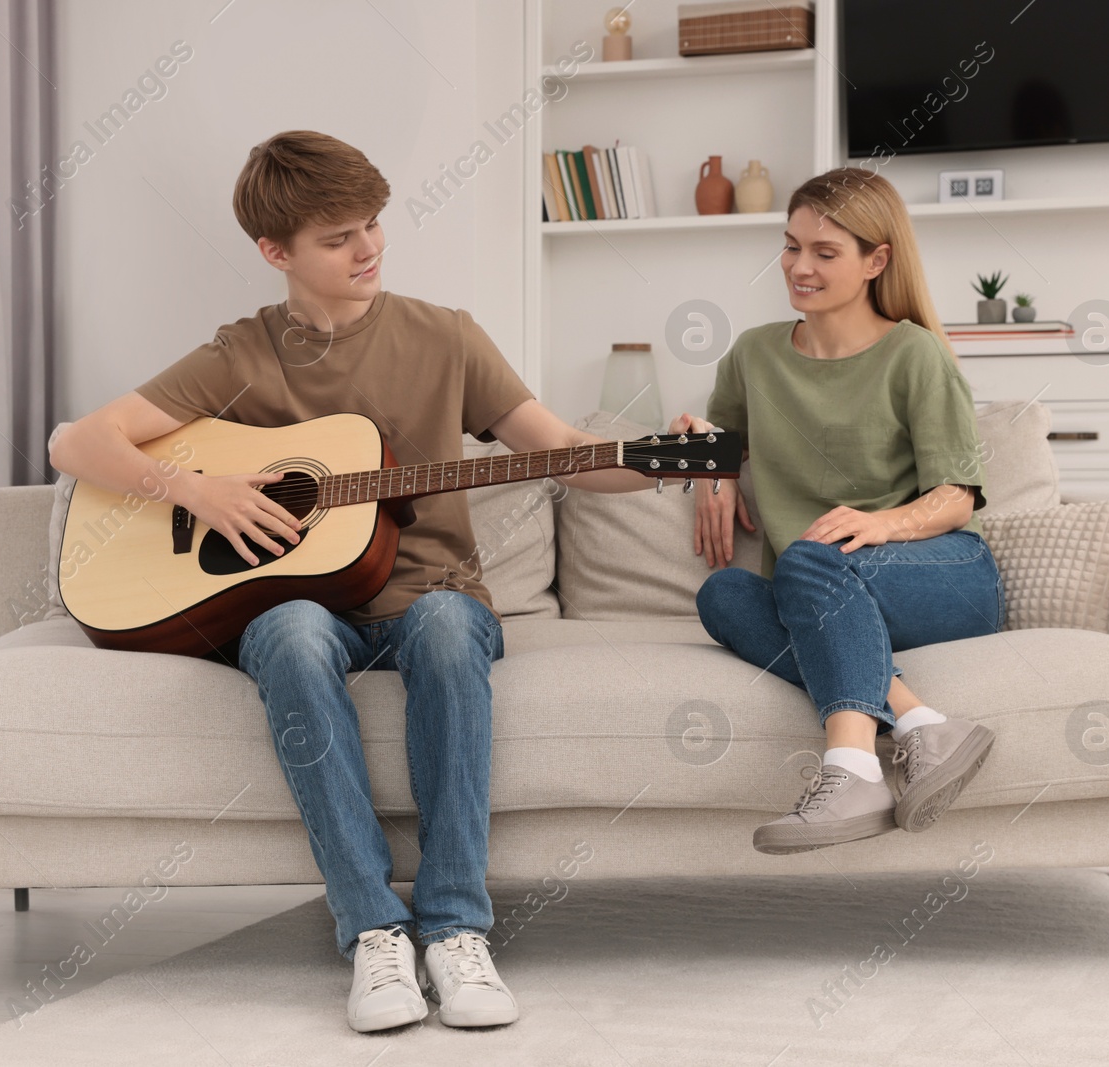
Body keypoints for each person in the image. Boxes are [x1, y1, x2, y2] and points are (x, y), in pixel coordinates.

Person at [48, 130, 654, 1033]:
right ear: (276, 252)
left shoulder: (446, 336)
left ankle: (454, 929)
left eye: (373, 224)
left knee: (448, 629)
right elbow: (76, 442)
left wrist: (665, 463)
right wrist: (196, 489)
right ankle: (373, 930)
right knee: (288, 631)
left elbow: (562, 450)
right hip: (298, 606)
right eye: (338, 237)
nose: (368, 248)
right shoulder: (242, 353)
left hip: (433, 594)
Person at [670, 167, 1006, 856]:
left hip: (941, 574)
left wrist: (885, 523)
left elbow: (958, 495)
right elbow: (720, 435)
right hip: (818, 583)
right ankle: (920, 724)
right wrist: (716, 466)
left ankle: (851, 768)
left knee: (806, 558)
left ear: (875, 260)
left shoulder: (914, 353)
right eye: (792, 246)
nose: (799, 266)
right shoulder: (754, 354)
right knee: (725, 593)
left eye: (825, 253)